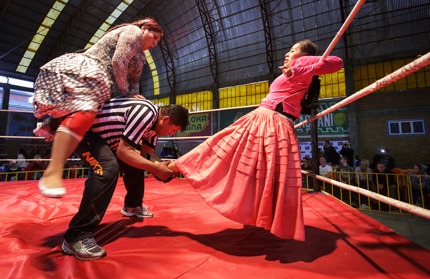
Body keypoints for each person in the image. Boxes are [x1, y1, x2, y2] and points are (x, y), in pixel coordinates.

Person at [167, 39, 343, 241]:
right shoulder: (296, 71)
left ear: (304, 56)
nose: (287, 54)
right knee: (241, 159)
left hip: (270, 121)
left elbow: (337, 62)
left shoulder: (300, 65)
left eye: (293, 50)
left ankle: (172, 167)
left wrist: (301, 66)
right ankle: (173, 167)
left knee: (223, 147)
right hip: (267, 119)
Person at [33, 17, 164, 198]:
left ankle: (55, 127)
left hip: (104, 87)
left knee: (87, 114)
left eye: (158, 41)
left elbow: (134, 83)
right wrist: (126, 95)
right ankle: (53, 171)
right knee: (86, 109)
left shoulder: (141, 57)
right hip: (89, 71)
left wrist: (135, 98)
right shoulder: (132, 32)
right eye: (154, 37)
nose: (155, 43)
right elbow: (119, 61)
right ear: (144, 29)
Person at [61, 97, 189, 260]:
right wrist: (155, 168)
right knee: (108, 169)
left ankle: (132, 206)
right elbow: (123, 152)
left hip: (106, 142)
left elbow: (147, 155)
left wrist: (165, 166)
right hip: (83, 132)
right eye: (172, 130)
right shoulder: (146, 113)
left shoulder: (154, 127)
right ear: (166, 119)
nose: (170, 134)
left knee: (136, 161)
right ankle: (76, 236)